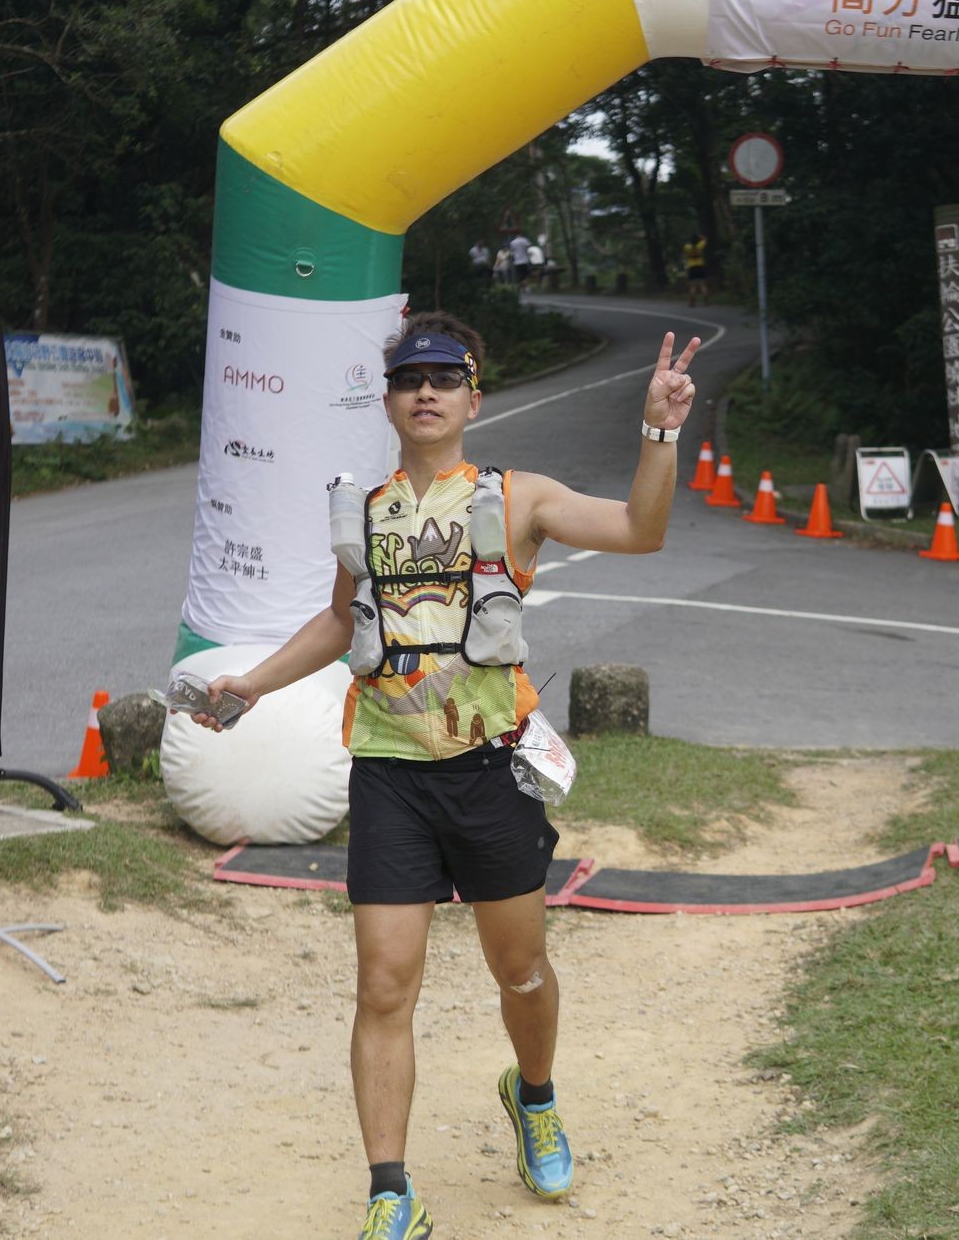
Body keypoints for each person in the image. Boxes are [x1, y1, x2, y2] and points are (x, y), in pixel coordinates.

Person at [187, 311, 702, 1240]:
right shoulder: (366, 509)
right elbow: (341, 621)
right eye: (407, 378)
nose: (425, 392)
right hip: (389, 773)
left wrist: (658, 431)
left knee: (521, 970)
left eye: (444, 378)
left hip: (490, 770)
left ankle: (533, 1095)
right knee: (384, 985)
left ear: (474, 397)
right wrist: (251, 683)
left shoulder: (516, 497)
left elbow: (641, 528)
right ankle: (391, 1189)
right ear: (388, 401)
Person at [681, 232, 708, 307]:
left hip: (692, 266)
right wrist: (700, 236)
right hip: (700, 265)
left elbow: (685, 244)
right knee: (702, 285)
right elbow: (705, 239)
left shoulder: (687, 247)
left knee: (693, 286)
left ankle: (692, 303)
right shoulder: (700, 246)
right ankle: (706, 301)